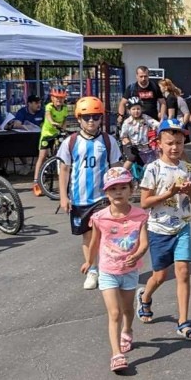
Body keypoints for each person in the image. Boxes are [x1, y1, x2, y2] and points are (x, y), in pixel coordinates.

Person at [137, 119, 191, 339]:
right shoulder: (152, 169)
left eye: (179, 143)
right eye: (170, 143)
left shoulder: (188, 169)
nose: (175, 147)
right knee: (160, 276)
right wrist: (170, 192)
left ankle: (183, 322)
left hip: (182, 227)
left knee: (183, 272)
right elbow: (145, 203)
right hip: (158, 229)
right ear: (159, 144)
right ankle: (145, 297)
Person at [83, 166, 150, 374]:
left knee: (127, 310)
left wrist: (137, 255)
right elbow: (94, 242)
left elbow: (144, 243)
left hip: (129, 271)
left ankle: (128, 330)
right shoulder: (100, 217)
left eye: (123, 187)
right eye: (113, 189)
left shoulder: (140, 216)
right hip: (108, 270)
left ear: (131, 190)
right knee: (114, 312)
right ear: (106, 193)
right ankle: (116, 355)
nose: (118, 192)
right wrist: (89, 261)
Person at [56, 96, 122, 290]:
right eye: (86, 117)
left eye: (95, 116)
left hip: (103, 198)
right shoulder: (71, 142)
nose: (91, 121)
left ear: (101, 118)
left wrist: (119, 195)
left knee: (104, 234)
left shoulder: (108, 141)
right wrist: (63, 196)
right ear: (79, 119)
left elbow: (115, 168)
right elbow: (65, 170)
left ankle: (107, 268)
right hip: (80, 198)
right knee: (87, 236)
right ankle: (93, 269)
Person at [32, 86, 73, 197]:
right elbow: (48, 117)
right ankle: (36, 181)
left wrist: (63, 128)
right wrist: (53, 123)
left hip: (57, 133)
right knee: (42, 156)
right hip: (47, 134)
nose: (59, 100)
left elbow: (64, 120)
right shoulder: (49, 106)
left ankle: (61, 179)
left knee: (61, 155)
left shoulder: (64, 108)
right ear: (52, 98)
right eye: (57, 98)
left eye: (61, 98)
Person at [119, 97, 159, 173]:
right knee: (132, 157)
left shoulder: (145, 118)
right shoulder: (127, 122)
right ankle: (121, 173)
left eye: (138, 109)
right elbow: (123, 136)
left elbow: (156, 124)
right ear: (129, 110)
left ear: (142, 109)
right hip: (130, 146)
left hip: (145, 146)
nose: (136, 111)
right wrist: (129, 144)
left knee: (154, 160)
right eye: (133, 109)